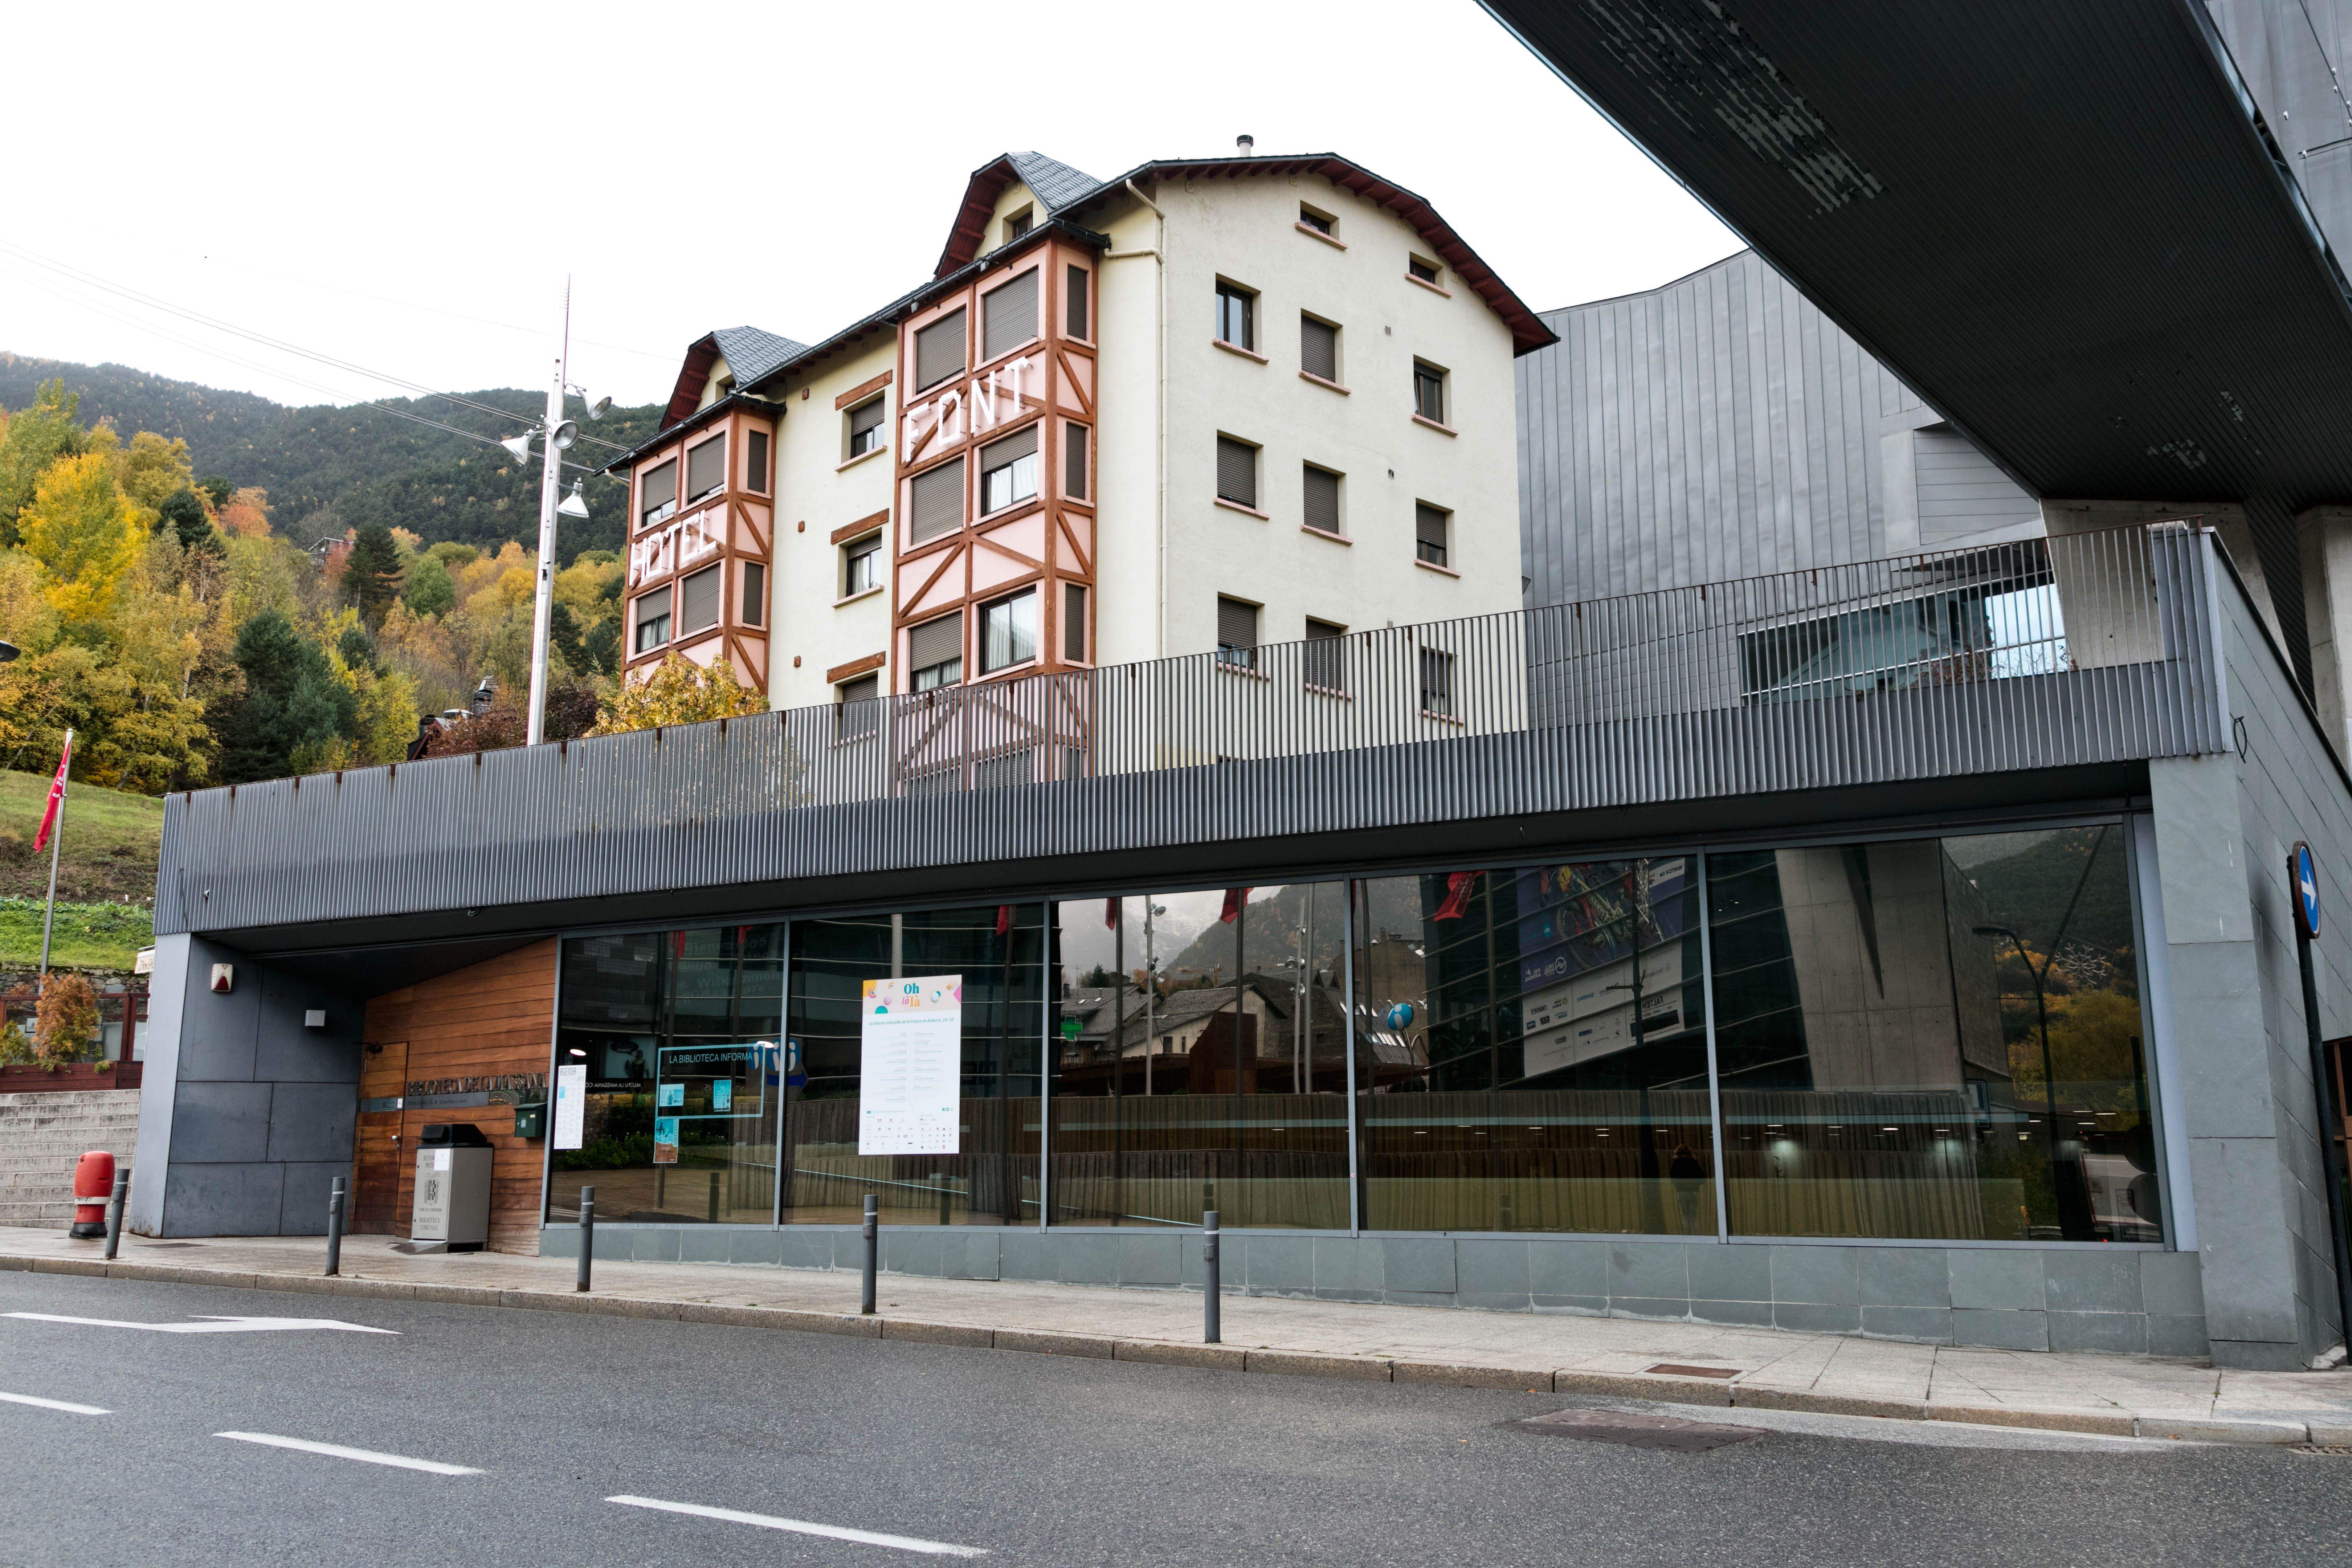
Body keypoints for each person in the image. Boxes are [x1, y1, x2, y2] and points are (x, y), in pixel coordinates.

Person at [1669, 1143, 1707, 1232]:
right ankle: (1697, 1237)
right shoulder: (1693, 1163)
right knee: (1693, 1217)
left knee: (1685, 1216)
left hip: (1682, 1192)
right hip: (1693, 1192)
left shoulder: (1676, 1164)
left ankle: (1687, 1236)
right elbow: (1702, 1178)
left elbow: (1673, 1179)